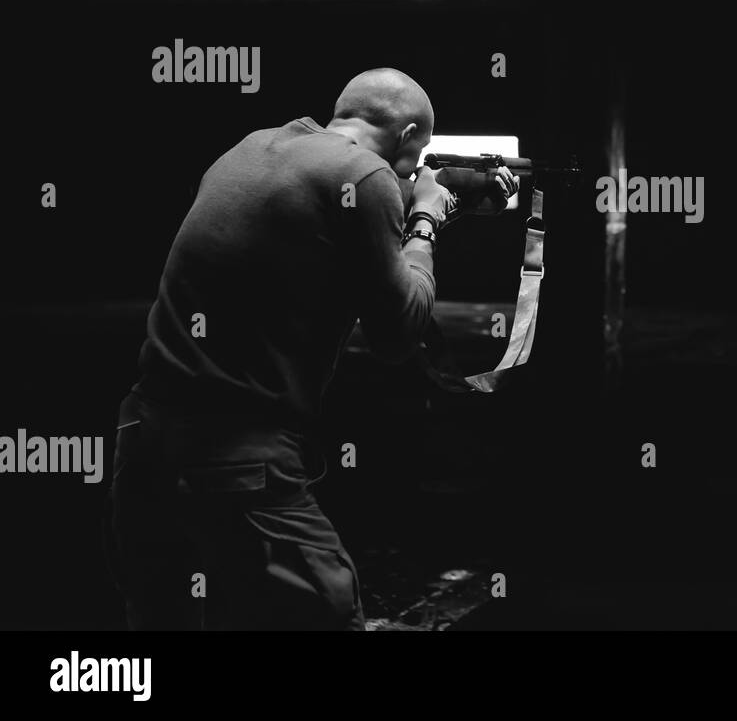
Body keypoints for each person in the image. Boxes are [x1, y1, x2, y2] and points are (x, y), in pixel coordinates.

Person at [105, 67, 518, 630]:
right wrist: (426, 220)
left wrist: (443, 205)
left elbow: (326, 228)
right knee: (325, 613)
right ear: (409, 136)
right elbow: (399, 334)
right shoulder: (366, 174)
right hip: (240, 451)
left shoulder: (254, 147)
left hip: (144, 438)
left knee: (169, 620)